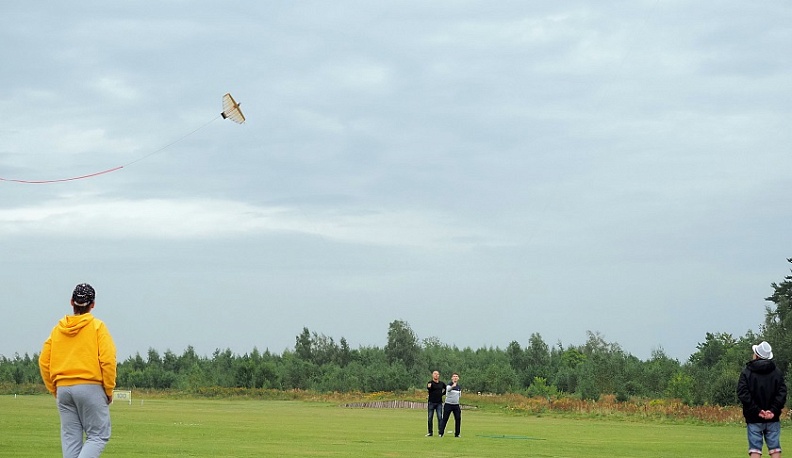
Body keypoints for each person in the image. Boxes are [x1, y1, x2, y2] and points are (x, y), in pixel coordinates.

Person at [39, 283, 117, 458]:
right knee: (98, 435)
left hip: (63, 389)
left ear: (71, 302)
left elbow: (44, 360)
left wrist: (54, 389)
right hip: (90, 386)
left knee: (71, 440)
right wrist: (109, 389)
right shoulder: (97, 327)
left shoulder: (57, 330)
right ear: (93, 304)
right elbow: (107, 360)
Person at [737, 340, 787, 458]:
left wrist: (757, 410)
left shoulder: (747, 372)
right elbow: (782, 393)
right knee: (775, 448)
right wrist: (772, 410)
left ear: (757, 355)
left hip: (753, 417)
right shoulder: (777, 373)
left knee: (755, 449)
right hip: (772, 418)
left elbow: (743, 393)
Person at [439, 372, 462, 438]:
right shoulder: (449, 385)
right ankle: (441, 433)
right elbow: (448, 390)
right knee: (445, 419)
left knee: (458, 419)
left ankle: (457, 434)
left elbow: (459, 395)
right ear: (452, 378)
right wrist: (452, 386)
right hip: (448, 404)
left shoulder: (458, 387)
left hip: (456, 405)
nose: (455, 377)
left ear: (458, 378)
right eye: (454, 376)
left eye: (456, 376)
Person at [426, 370, 445, 436]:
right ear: (432, 375)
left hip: (439, 403)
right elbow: (429, 389)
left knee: (440, 417)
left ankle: (440, 432)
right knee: (430, 417)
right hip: (431, 402)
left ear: (439, 375)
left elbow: (446, 389)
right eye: (435, 374)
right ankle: (430, 432)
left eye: (437, 374)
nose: (436, 375)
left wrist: (442, 394)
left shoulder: (441, 383)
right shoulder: (430, 383)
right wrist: (429, 387)